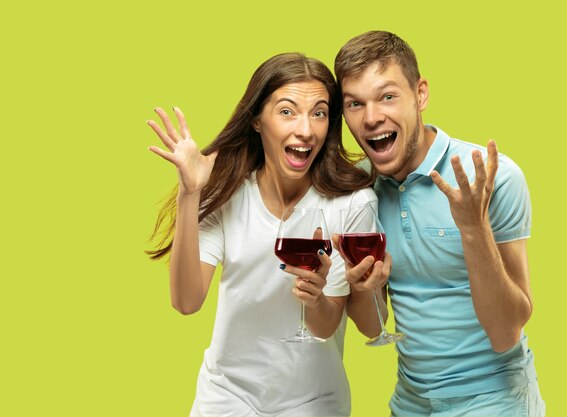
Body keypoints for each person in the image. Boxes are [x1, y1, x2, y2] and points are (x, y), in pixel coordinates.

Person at [145, 53, 376, 417]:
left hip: (314, 401)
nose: (306, 130)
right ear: (256, 120)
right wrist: (190, 194)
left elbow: (325, 326)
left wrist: (315, 297)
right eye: (287, 111)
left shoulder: (351, 204)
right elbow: (186, 302)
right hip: (226, 394)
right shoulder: (229, 192)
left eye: (318, 113)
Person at [334, 31, 545, 416]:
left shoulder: (491, 178)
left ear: (421, 94)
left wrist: (473, 228)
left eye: (387, 96)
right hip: (410, 401)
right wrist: (364, 289)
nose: (371, 117)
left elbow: (506, 332)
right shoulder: (360, 189)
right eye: (354, 103)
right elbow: (370, 327)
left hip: (494, 399)